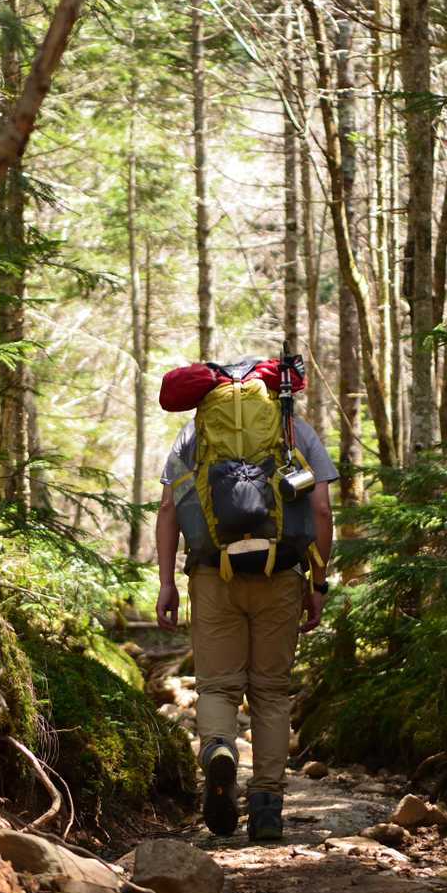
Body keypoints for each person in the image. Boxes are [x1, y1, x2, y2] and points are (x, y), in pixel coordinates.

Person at [154, 359, 337, 841]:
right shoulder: (294, 431)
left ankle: (219, 749)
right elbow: (321, 510)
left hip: (213, 574)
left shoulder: (195, 434)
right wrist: (317, 583)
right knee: (271, 693)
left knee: (217, 688)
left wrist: (167, 583)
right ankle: (267, 807)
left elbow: (170, 507)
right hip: (281, 574)